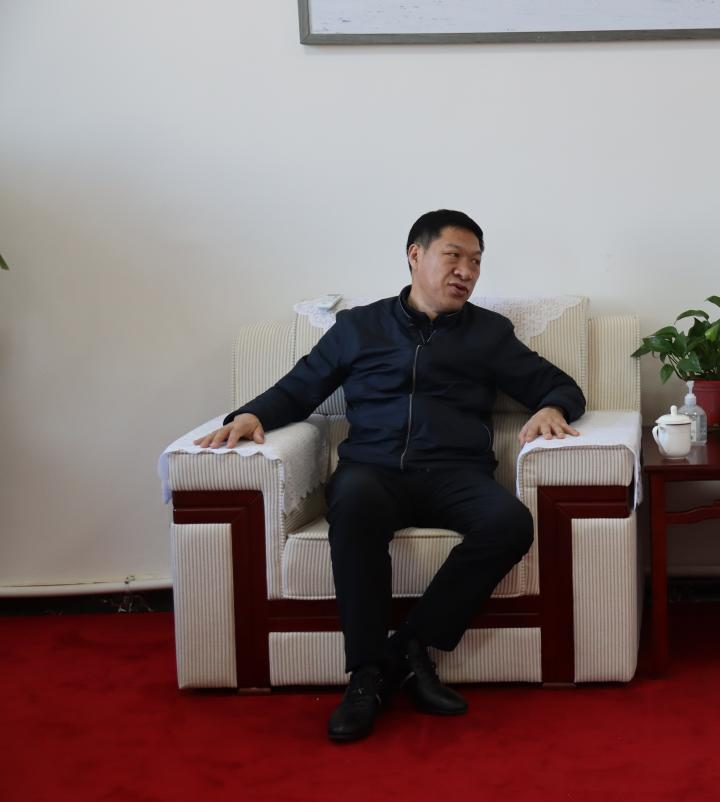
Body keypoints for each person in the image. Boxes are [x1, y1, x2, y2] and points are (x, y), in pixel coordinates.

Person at [195, 209, 584, 742]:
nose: (466, 272)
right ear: (415, 255)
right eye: (454, 256)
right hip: (372, 472)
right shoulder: (358, 327)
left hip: (455, 473)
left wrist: (553, 407)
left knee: (510, 523)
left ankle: (407, 649)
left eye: (476, 262)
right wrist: (250, 415)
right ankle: (364, 675)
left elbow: (560, 385)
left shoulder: (488, 334)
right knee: (353, 505)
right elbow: (300, 387)